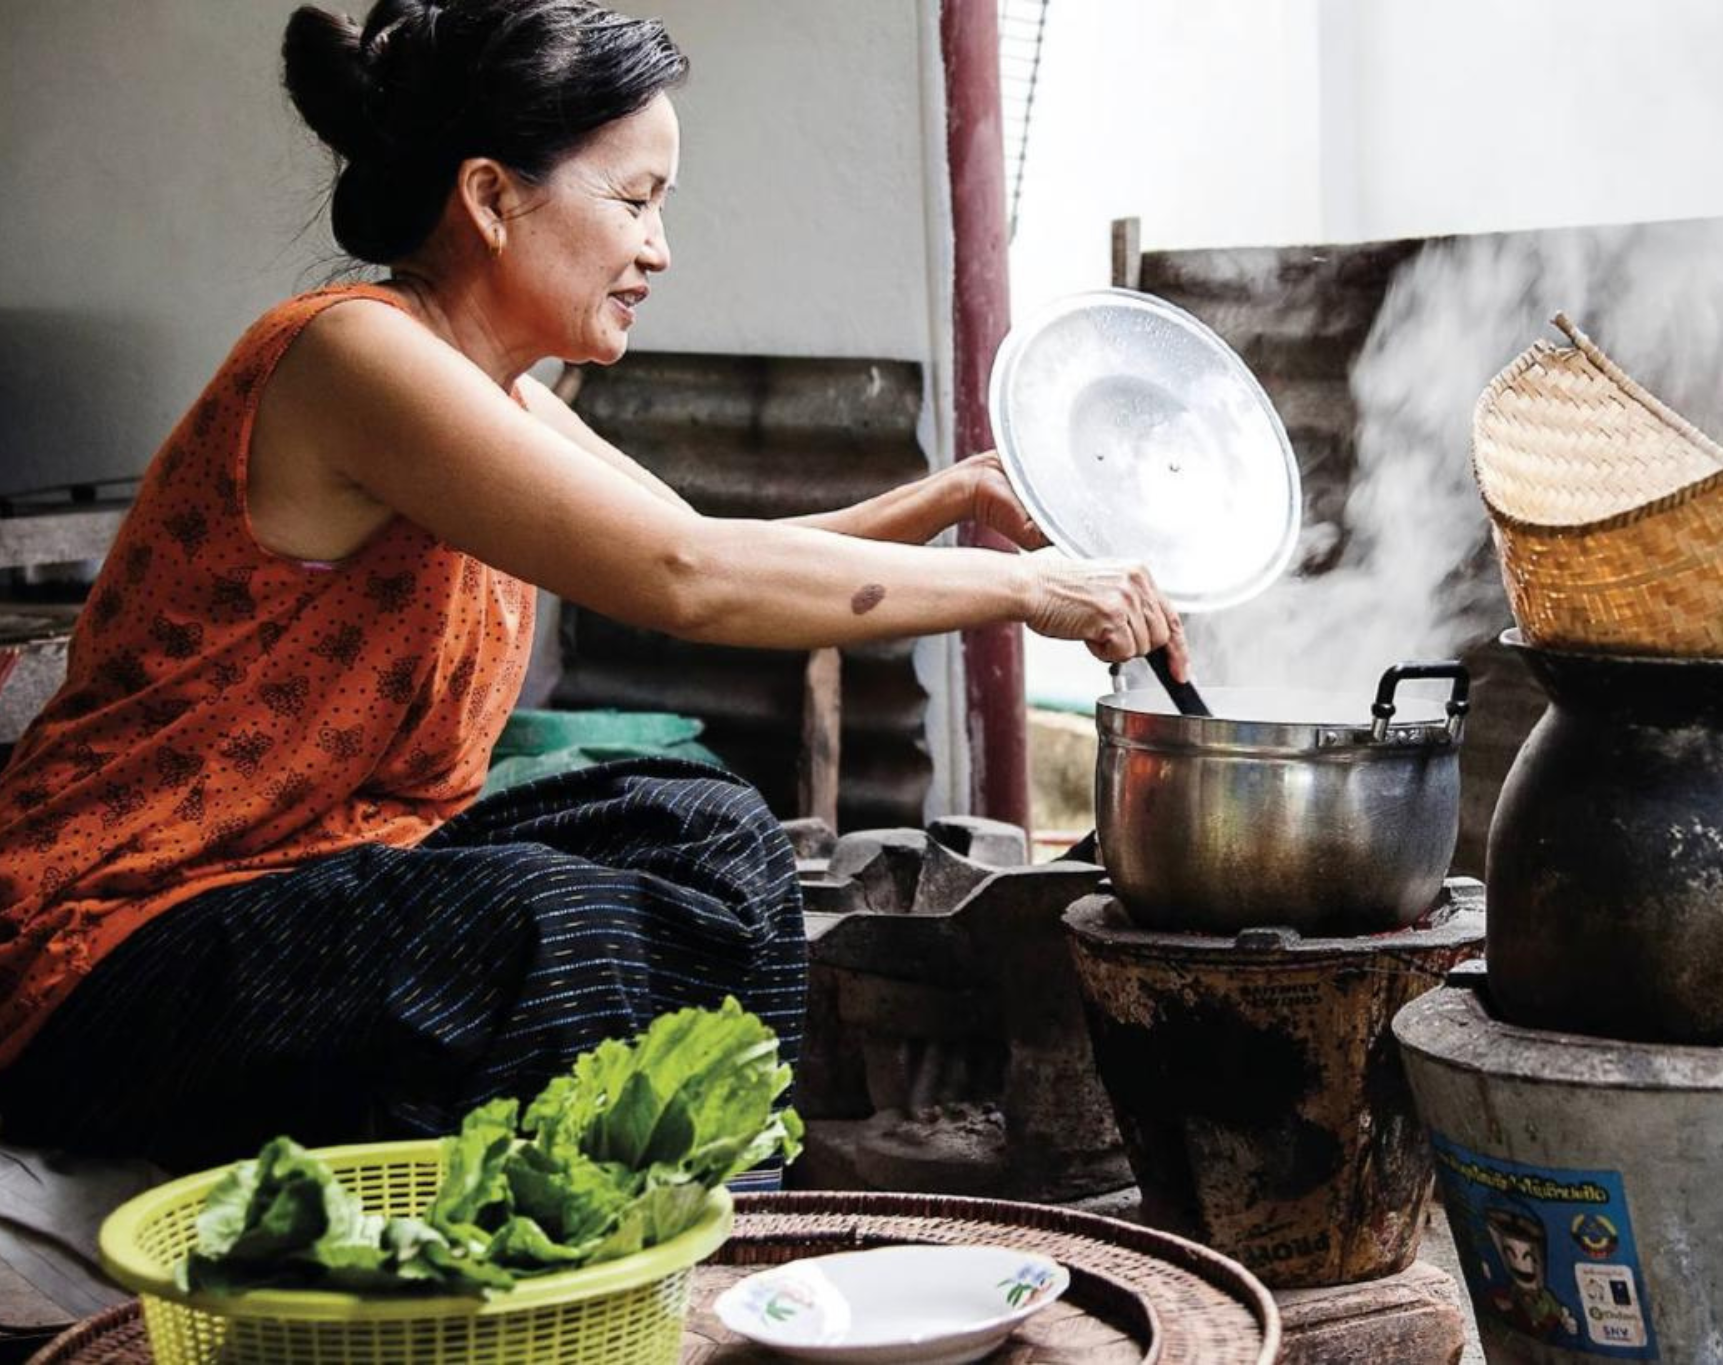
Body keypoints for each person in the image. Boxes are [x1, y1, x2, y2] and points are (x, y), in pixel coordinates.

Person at [0, 0, 1185, 1174]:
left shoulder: (491, 389)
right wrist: (1028, 590)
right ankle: (604, 1223)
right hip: (105, 956)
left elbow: (695, 543)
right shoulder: (352, 355)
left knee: (705, 827)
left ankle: (720, 1189)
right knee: (549, 919)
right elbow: (689, 580)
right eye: (633, 201)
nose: (658, 250)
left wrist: (953, 496)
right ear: (489, 197)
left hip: (324, 888)